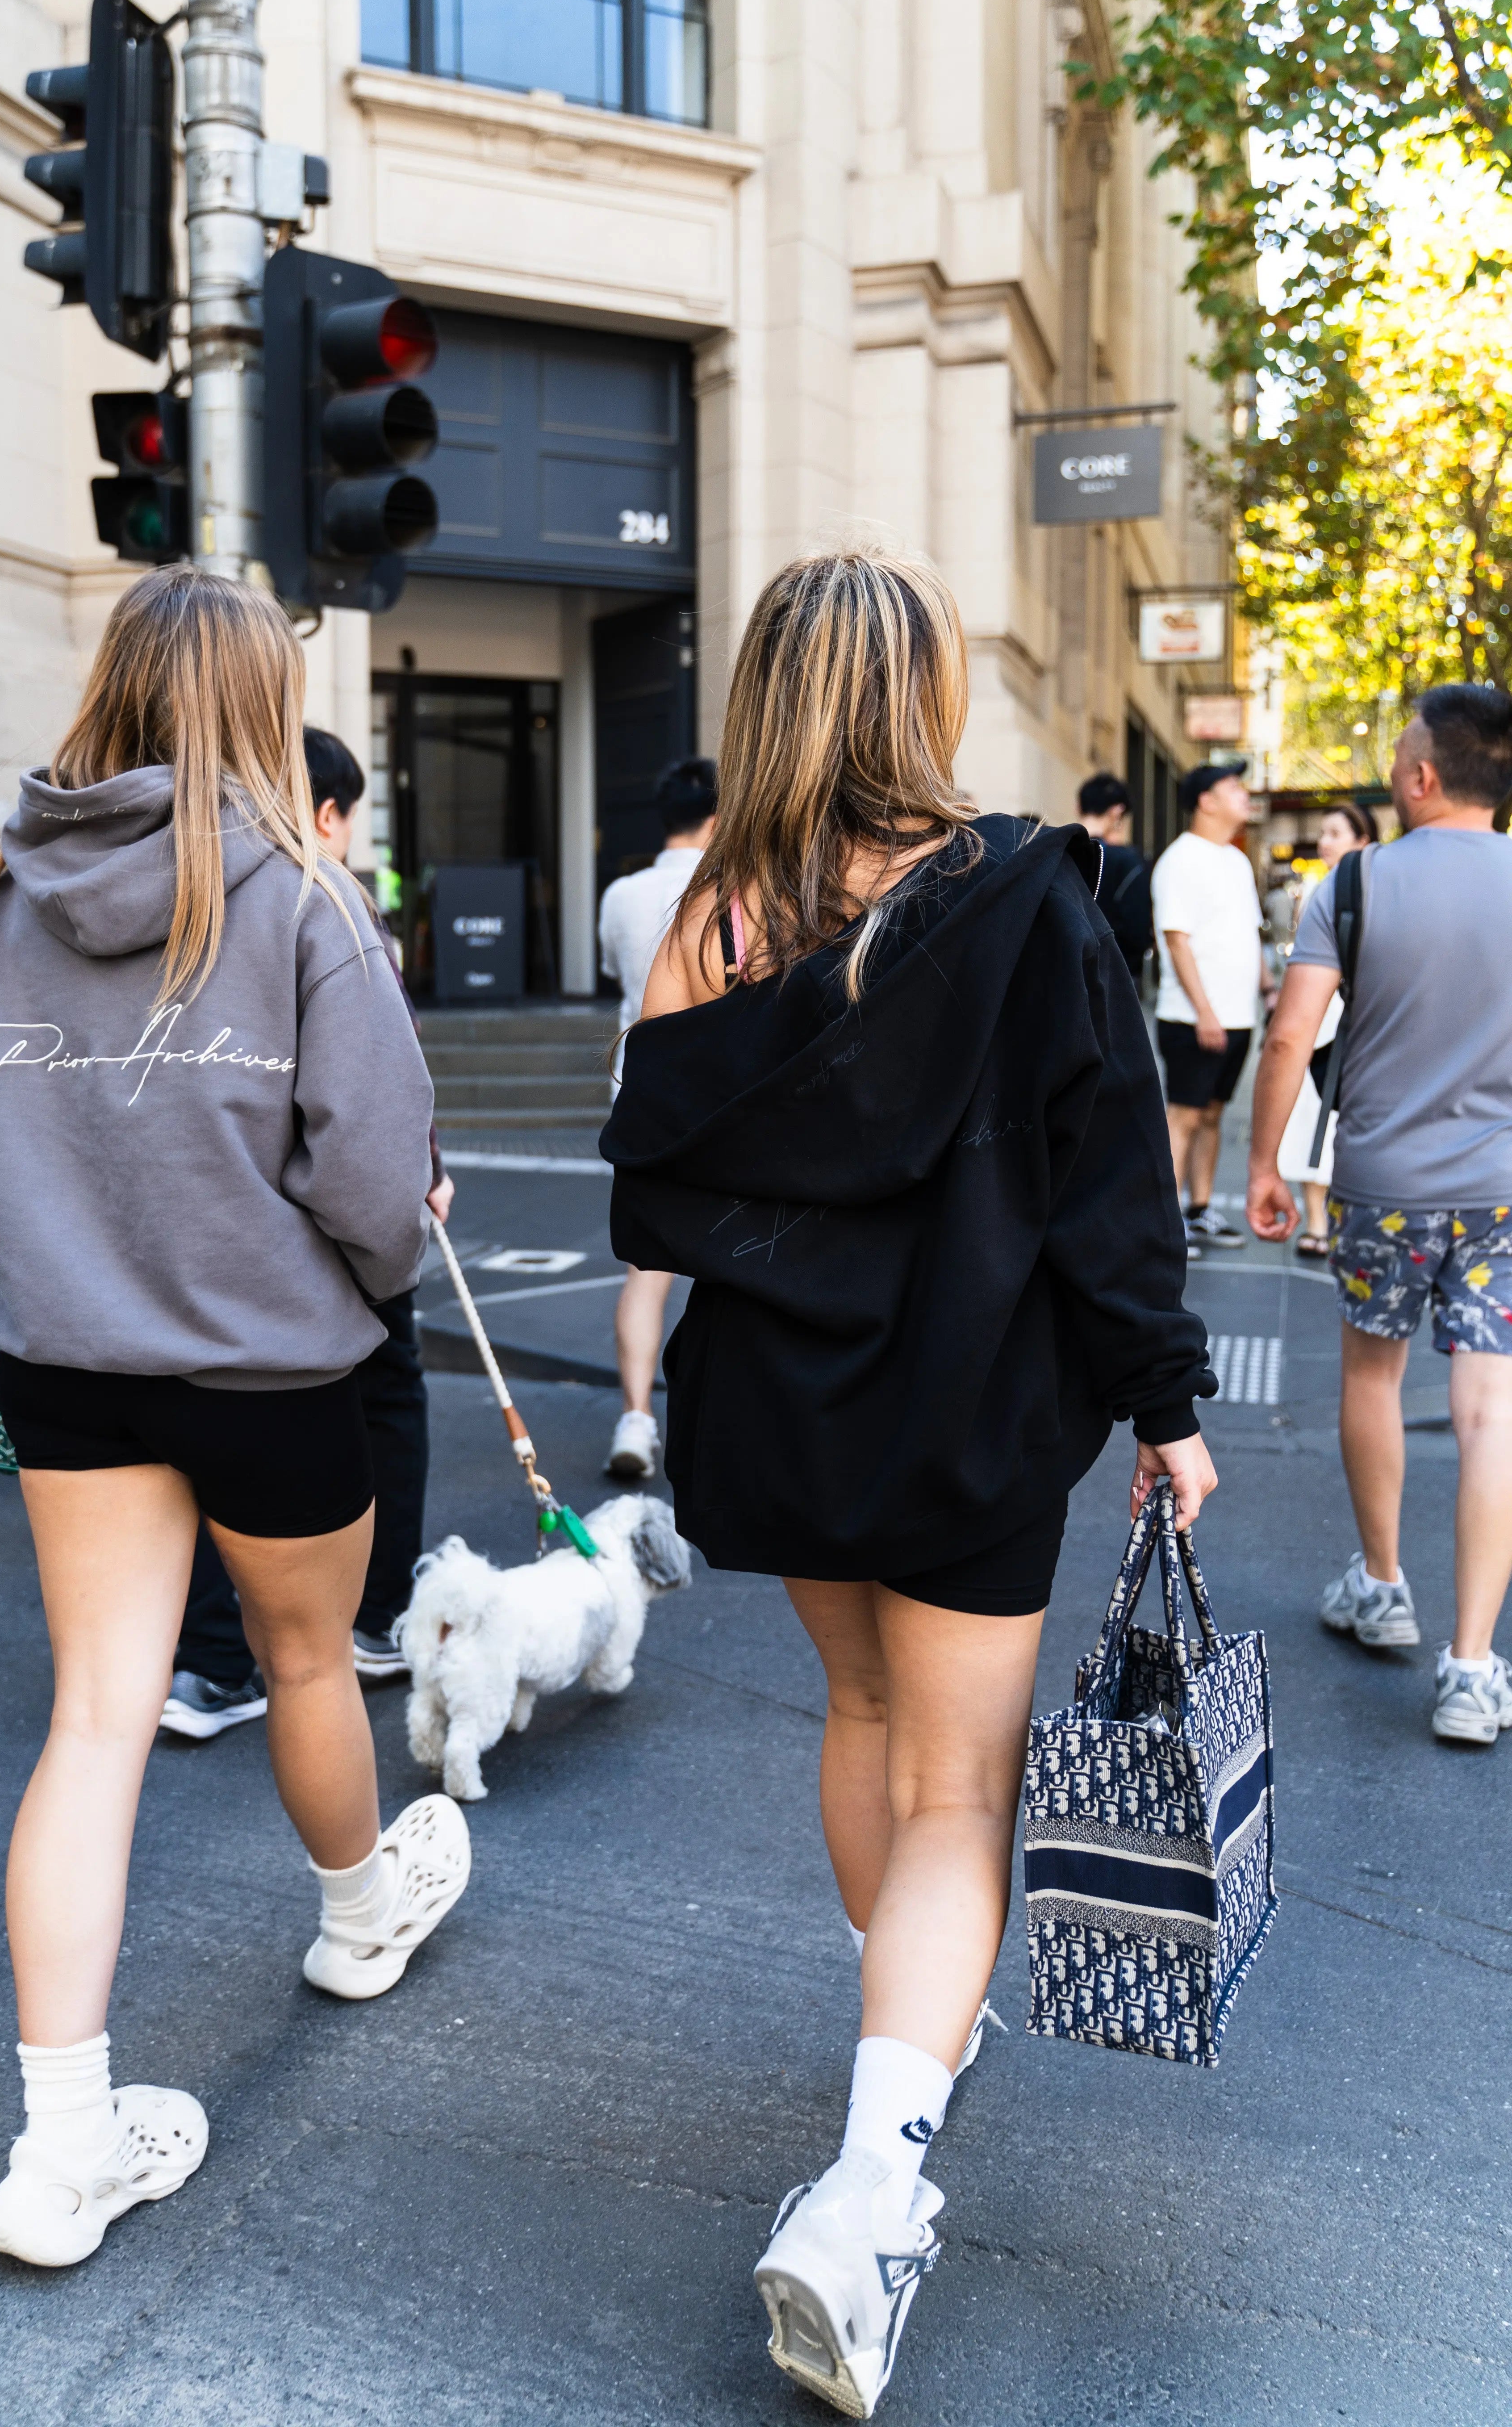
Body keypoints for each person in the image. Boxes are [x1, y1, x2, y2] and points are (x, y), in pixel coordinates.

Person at [603, 550, 1216, 2418]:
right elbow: (1114, 1187)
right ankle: (879, 2181)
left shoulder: (713, 913)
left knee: (862, 1714)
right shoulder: (1032, 895)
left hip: (775, 1402)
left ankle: (901, 2032)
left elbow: (647, 1178)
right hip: (968, 1400)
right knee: (961, 1784)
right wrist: (1166, 1406)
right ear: (926, 693)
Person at [0, 566, 471, 2268]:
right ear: (248, 702)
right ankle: (361, 1914)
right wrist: (356, 1285)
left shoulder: (5, 899)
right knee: (307, 1661)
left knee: (96, 1717)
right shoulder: (300, 897)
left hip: (62, 1358)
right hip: (273, 1369)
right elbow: (375, 1179)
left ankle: (59, 2147)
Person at [159, 723, 454, 1736]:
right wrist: (410, 1212)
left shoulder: (178, 900)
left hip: (191, 1236)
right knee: (381, 1399)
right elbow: (380, 1090)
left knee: (194, 1425)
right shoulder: (329, 905)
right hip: (328, 1229)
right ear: (324, 812)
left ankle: (206, 1663)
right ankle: (373, 1621)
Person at [1248, 686, 1512, 1747]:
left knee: (1371, 1372)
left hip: (1379, 1186)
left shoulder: (1353, 883)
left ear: (1423, 776)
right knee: (1491, 1412)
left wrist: (1265, 1160)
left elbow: (1288, 1034)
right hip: (1500, 1192)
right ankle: (1470, 1666)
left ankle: (1383, 1583)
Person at [596, 754, 718, 1481]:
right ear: (717, 816)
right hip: (721, 1109)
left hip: (639, 1100)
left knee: (646, 1274)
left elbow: (621, 978)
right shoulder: (735, 884)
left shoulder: (621, 894)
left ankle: (638, 1420)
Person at [1150, 760, 1273, 1256]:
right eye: (1234, 788)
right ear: (1207, 801)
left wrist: (1268, 989)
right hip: (1192, 1019)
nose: (1245, 796)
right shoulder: (1180, 861)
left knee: (1213, 1115)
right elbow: (1176, 943)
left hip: (1238, 1017)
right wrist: (1204, 1011)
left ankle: (1199, 1212)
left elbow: (1248, 934)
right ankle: (1164, 1223)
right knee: (1182, 1118)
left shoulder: (1237, 861)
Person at [1273, 804, 1379, 1261]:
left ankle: (1341, 1217)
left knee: (1345, 1124)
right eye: (1322, 832)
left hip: (1356, 1022)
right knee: (1307, 1121)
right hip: (1317, 1021)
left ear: (1363, 840)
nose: (1324, 841)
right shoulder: (1319, 887)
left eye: (1335, 833)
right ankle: (1317, 1221)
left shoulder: (1378, 888)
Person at [1075, 770, 1152, 983]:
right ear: (1117, 811)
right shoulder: (1128, 862)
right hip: (1112, 976)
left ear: (1078, 807)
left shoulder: (1054, 851)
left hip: (1062, 972)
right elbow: (1137, 928)